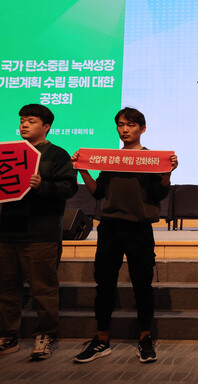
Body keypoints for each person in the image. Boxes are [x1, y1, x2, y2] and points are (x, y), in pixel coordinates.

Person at [71, 107, 178, 364]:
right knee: (104, 285)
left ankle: (144, 338)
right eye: (120, 125)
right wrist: (83, 170)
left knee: (143, 286)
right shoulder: (110, 158)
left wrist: (167, 173)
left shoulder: (153, 159)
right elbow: (98, 193)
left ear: (142, 128)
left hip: (139, 229)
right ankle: (101, 339)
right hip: (110, 228)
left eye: (130, 125)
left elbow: (159, 194)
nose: (124, 129)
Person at [0, 104, 78, 361]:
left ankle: (46, 335)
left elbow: (69, 188)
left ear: (45, 127)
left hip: (41, 234)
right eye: (22, 120)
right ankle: (8, 335)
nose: (24, 124)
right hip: (8, 233)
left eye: (31, 121)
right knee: (6, 289)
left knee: (43, 289)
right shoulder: (8, 152)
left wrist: (43, 186)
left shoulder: (56, 154)